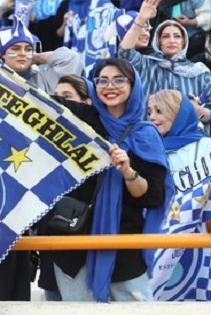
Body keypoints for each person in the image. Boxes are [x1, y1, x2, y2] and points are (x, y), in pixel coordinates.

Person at [52, 58, 169, 302]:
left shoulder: (145, 134)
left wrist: (127, 171)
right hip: (74, 248)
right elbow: (36, 102)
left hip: (124, 249)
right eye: (102, 80)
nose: (110, 86)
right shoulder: (81, 119)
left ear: (133, 85)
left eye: (119, 80)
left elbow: (153, 197)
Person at [147, 89, 211, 300]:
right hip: (172, 251)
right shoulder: (150, 152)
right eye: (149, 112)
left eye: (159, 111)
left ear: (178, 113)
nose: (152, 117)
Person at [119, 0, 211, 130]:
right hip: (151, 137)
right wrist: (142, 18)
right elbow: (125, 53)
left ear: (183, 42)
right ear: (159, 42)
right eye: (165, 36)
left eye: (177, 36)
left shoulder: (200, 72)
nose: (171, 40)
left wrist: (200, 111)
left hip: (188, 140)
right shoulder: (147, 65)